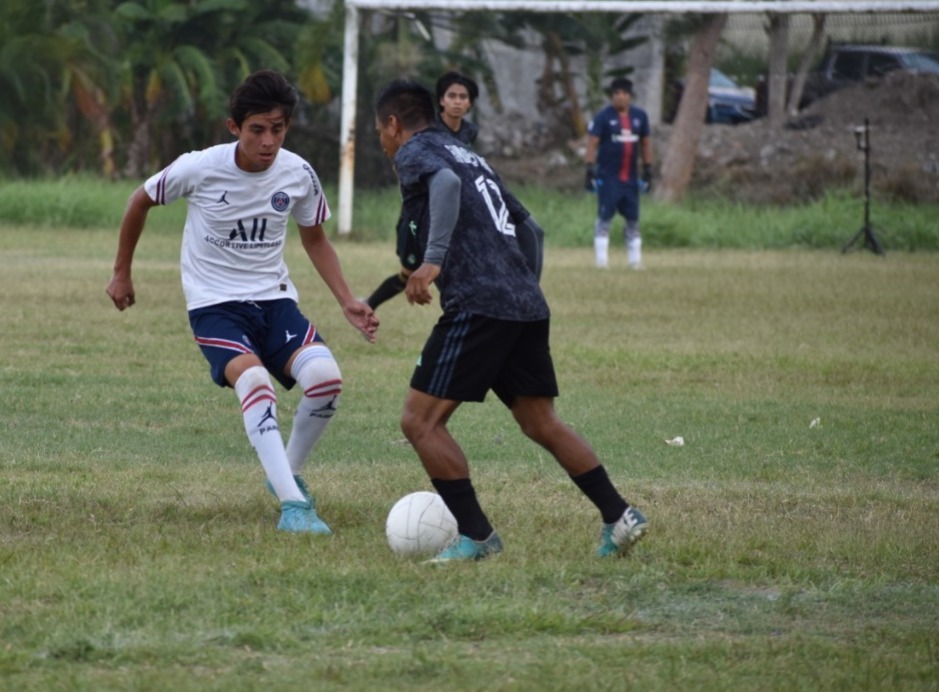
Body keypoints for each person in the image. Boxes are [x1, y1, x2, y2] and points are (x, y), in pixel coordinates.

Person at [373, 79, 648, 562]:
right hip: (524, 303)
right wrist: (522, 286)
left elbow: (445, 186)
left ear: (394, 124)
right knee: (540, 421)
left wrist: (433, 262)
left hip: (480, 305)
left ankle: (477, 537)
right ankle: (619, 515)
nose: (382, 140)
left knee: (419, 422)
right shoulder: (467, 153)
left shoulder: (417, 151)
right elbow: (531, 228)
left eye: (380, 130)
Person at [106, 70, 379, 534]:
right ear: (234, 126)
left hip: (274, 302)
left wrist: (346, 298)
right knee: (255, 382)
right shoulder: (201, 167)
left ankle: (285, 476)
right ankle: (295, 506)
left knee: (326, 380)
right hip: (214, 306)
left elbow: (314, 238)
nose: (268, 140)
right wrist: (121, 271)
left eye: (278, 129)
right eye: (257, 129)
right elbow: (139, 200)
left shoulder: (298, 173)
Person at [365, 70, 482, 312]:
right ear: (441, 100)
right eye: (452, 96)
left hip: (455, 210)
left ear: (470, 103)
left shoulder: (469, 132)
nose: (457, 101)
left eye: (463, 96)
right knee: (410, 273)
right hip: (420, 215)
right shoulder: (426, 130)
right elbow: (424, 170)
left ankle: (462, 316)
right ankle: (368, 304)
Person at [584, 77, 653, 269]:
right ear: (612, 96)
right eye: (616, 94)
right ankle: (601, 262)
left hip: (630, 179)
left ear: (630, 96)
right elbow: (592, 143)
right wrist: (589, 170)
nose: (620, 97)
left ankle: (635, 261)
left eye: (624, 93)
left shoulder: (640, 117)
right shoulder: (603, 117)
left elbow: (646, 143)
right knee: (605, 218)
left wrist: (648, 169)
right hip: (609, 178)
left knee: (633, 219)